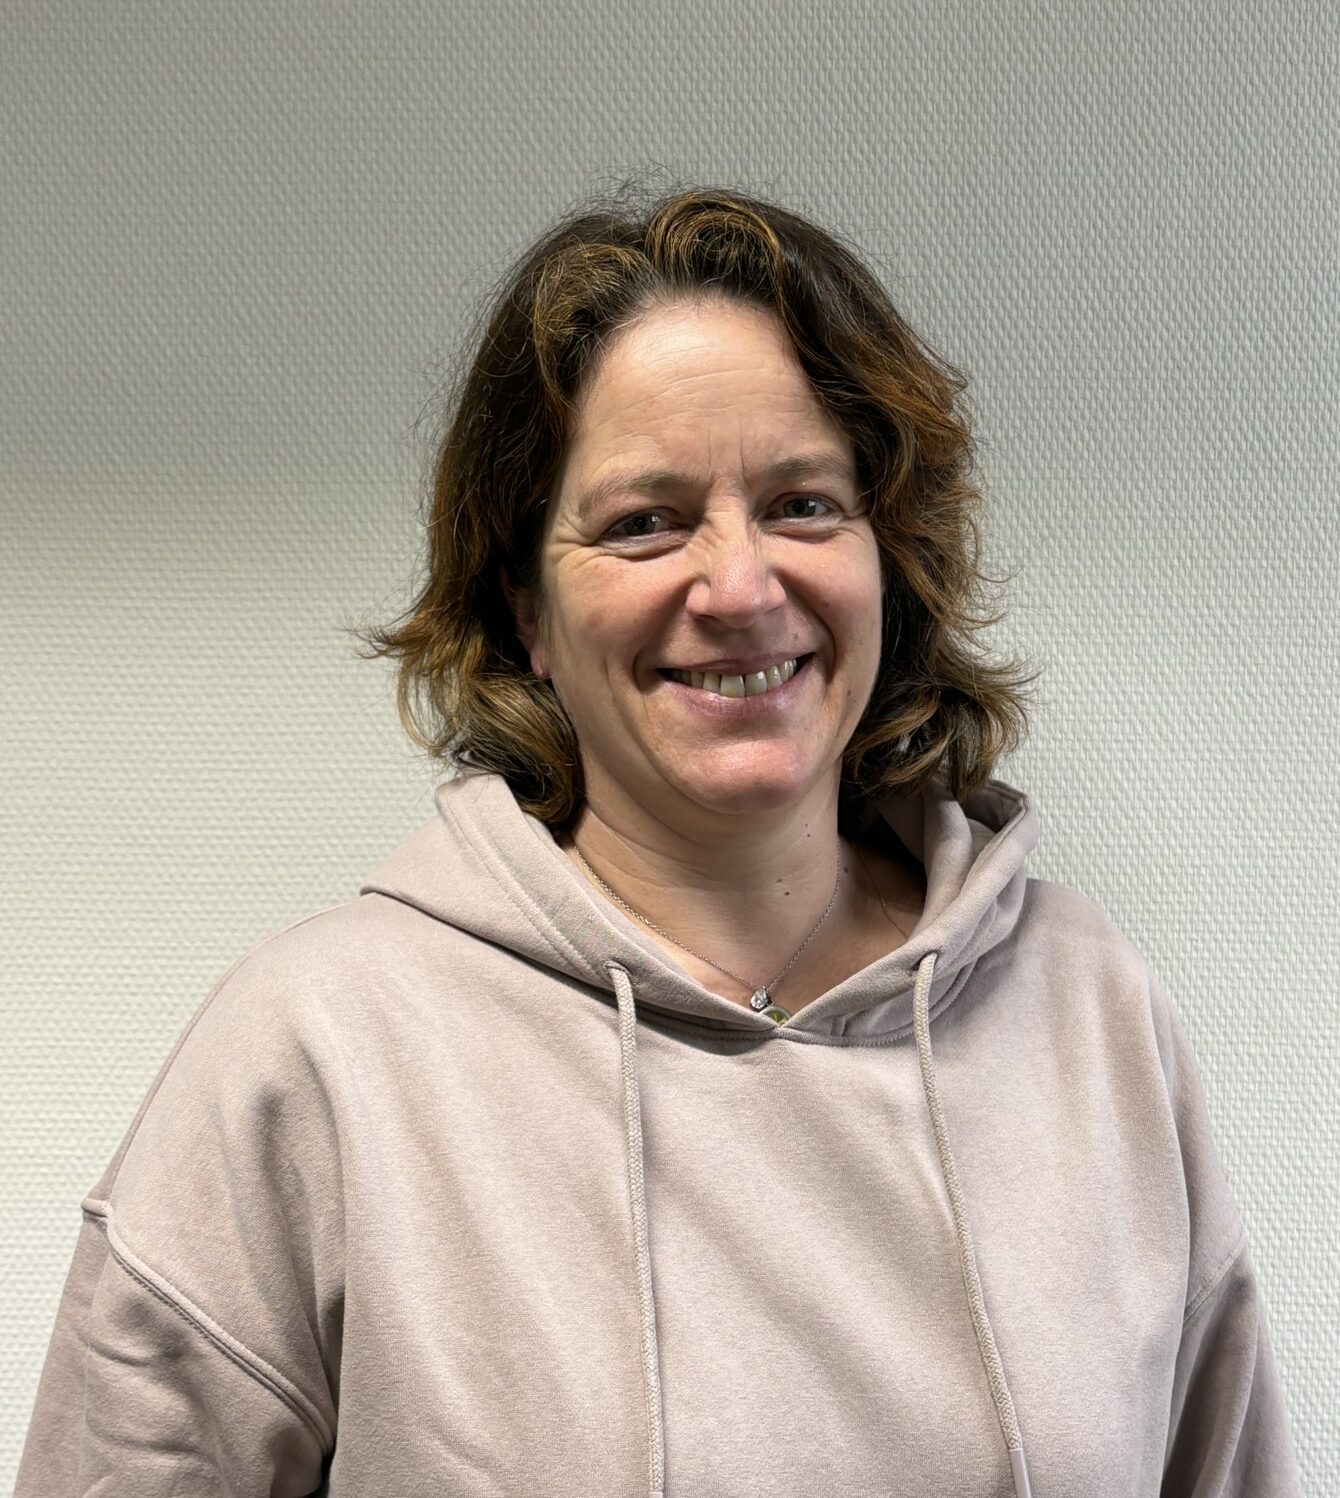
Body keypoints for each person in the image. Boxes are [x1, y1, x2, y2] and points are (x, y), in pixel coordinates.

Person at [17, 184, 1300, 1498]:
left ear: (888, 559)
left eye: (804, 503)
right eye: (645, 521)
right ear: (526, 609)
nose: (740, 586)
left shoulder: (1087, 1010)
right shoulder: (321, 1053)